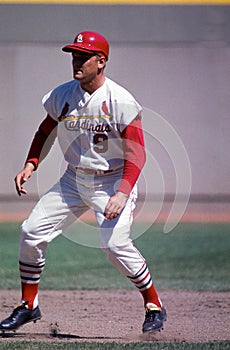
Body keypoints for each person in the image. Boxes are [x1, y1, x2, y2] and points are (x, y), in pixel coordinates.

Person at [0, 31, 166, 334]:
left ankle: (153, 304)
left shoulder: (121, 101)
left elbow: (137, 155)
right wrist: (31, 163)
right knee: (31, 231)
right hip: (74, 179)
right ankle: (28, 305)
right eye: (74, 55)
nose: (76, 61)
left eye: (83, 56)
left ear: (101, 61)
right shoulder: (63, 95)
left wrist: (122, 192)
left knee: (115, 245)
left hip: (113, 179)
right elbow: (44, 132)